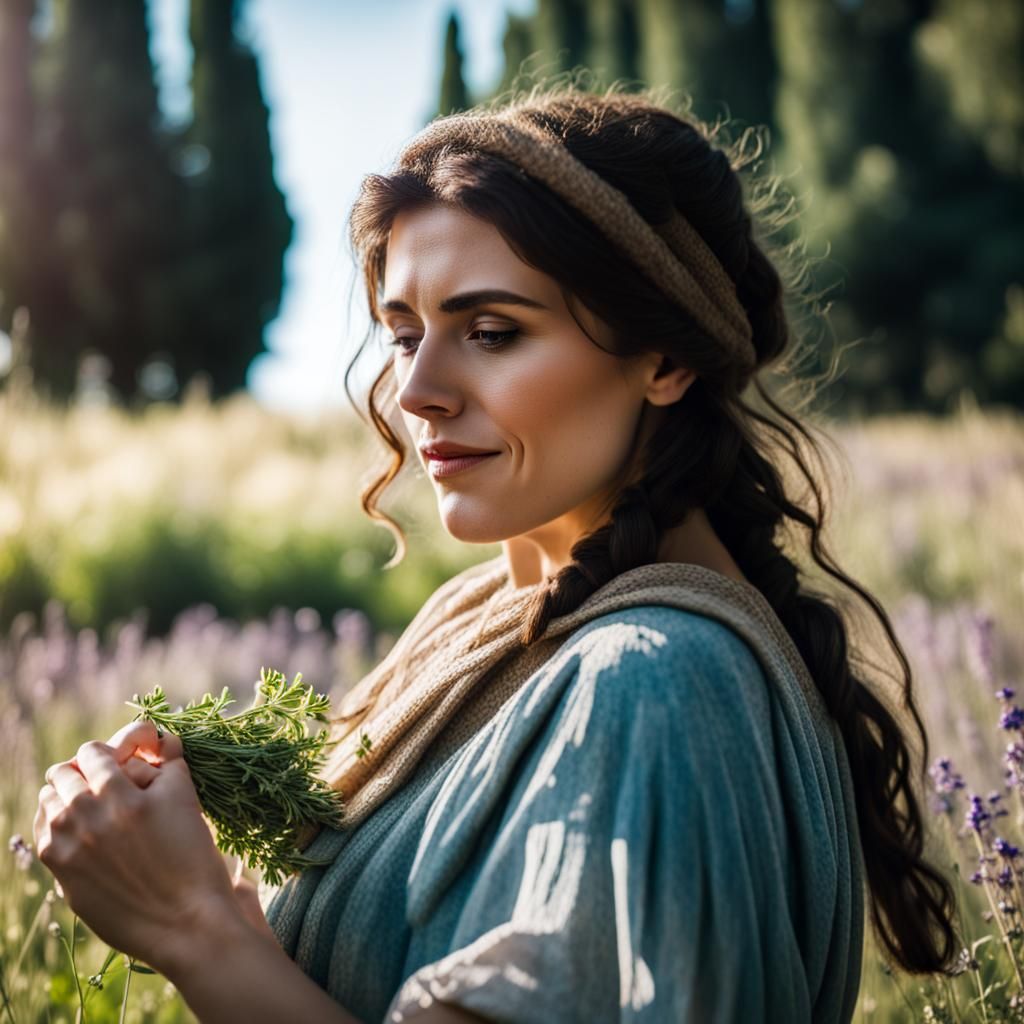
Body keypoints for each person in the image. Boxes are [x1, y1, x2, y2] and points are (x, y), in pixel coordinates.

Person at [34, 83, 958, 1023]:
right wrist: (205, 879)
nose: (417, 391)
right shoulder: (481, 619)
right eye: (403, 335)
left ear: (666, 362)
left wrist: (190, 926)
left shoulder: (654, 684)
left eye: (491, 332)